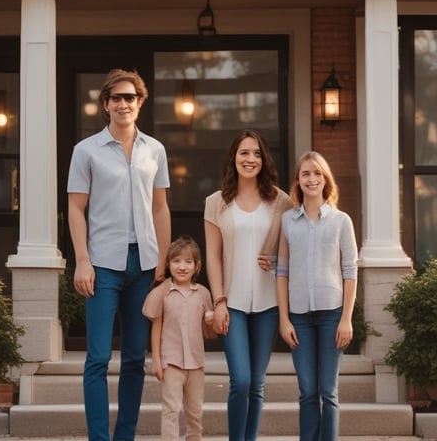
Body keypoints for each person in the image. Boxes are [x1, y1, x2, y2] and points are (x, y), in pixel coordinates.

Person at [67, 68, 171, 441]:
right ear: (106, 105)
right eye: (116, 98)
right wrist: (82, 259)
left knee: (133, 359)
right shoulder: (86, 151)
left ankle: (124, 435)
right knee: (97, 358)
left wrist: (163, 260)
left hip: (144, 266)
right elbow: (76, 208)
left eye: (130, 97)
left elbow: (160, 208)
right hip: (103, 266)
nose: (123, 104)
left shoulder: (155, 150)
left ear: (140, 103)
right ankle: (99, 438)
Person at [204, 129, 293, 441]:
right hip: (233, 305)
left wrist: (279, 260)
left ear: (264, 160)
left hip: (269, 304)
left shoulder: (281, 202)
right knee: (240, 380)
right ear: (233, 158)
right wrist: (219, 301)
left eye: (256, 153)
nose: (250, 159)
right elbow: (213, 257)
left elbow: (295, 247)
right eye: (244, 153)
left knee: (256, 383)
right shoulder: (215, 203)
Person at [276, 151, 358, 441]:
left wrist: (346, 319)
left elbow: (350, 272)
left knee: (328, 390)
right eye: (305, 173)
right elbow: (281, 271)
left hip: (332, 315)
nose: (311, 179)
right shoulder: (288, 221)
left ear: (326, 180)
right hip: (298, 318)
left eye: (317, 173)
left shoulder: (341, 221)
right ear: (298, 181)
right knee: (307, 390)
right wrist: (284, 320)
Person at [142, 236, 216, 441]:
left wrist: (211, 320)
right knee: (171, 410)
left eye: (188, 262)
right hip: (171, 362)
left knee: (195, 412)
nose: (182, 267)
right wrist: (156, 361)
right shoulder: (163, 293)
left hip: (196, 364)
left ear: (197, 266)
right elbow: (155, 325)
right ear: (168, 264)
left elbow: (210, 331)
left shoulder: (203, 294)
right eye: (176, 261)